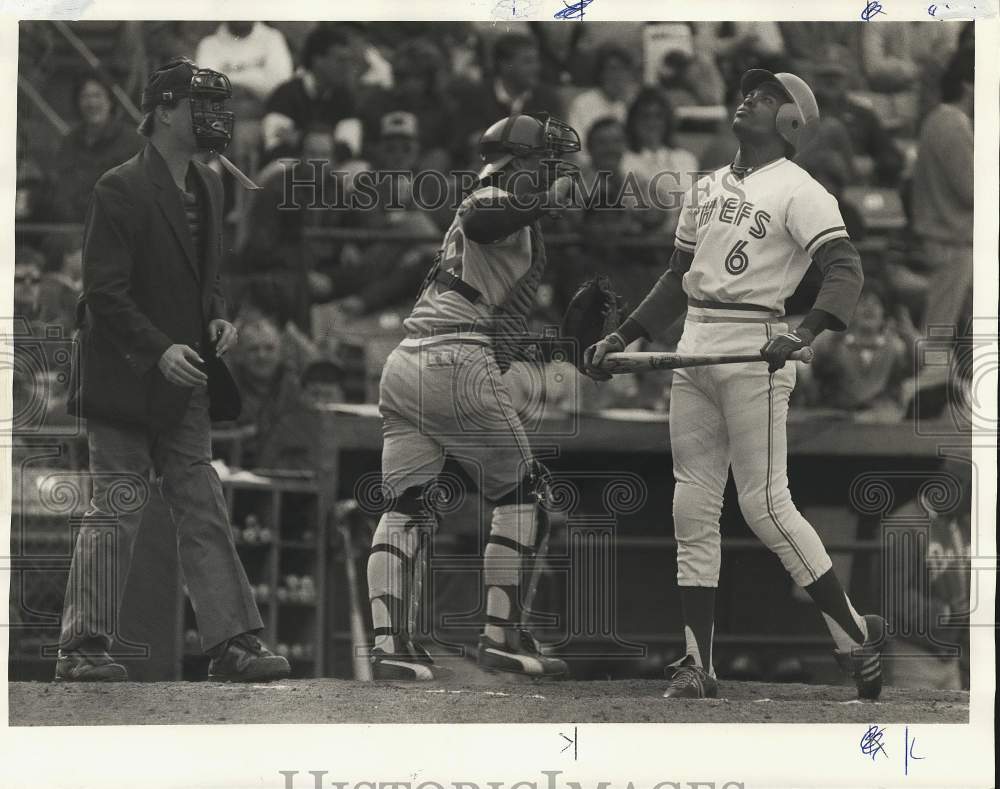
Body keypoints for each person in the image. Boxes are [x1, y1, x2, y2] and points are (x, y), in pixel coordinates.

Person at [586, 69, 886, 701]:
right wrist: (623, 336)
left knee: (765, 505)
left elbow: (846, 270)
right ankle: (698, 663)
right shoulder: (706, 186)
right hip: (694, 345)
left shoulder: (802, 190)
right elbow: (677, 278)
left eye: (765, 96)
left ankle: (852, 635)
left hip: (758, 348)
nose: (747, 99)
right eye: (748, 92)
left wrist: (803, 334)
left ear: (790, 120)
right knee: (690, 504)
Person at [58, 58, 289, 683]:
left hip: (185, 378)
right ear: (163, 110)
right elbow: (104, 293)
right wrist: (160, 347)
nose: (216, 118)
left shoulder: (211, 184)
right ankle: (82, 646)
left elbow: (207, 280)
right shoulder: (118, 187)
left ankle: (233, 642)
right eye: (201, 105)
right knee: (118, 505)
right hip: (125, 377)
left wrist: (220, 318)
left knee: (203, 501)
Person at [365, 112, 580, 680]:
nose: (556, 167)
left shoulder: (504, 198)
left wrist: (567, 349)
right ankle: (500, 635)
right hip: (455, 361)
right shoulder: (498, 193)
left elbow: (502, 324)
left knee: (406, 506)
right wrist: (542, 200)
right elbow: (485, 221)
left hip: (409, 362)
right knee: (525, 496)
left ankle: (389, 647)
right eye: (546, 157)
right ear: (522, 158)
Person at [911, 48, 973, 338]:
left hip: (945, 237)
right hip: (950, 240)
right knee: (940, 327)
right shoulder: (953, 123)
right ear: (967, 84)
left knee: (956, 324)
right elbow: (973, 191)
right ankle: (927, 381)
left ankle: (943, 379)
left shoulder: (937, 119)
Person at [261, 25, 366, 164]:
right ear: (318, 60)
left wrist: (300, 139)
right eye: (340, 60)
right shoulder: (285, 94)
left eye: (348, 60)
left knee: (356, 170)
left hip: (330, 170)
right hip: (292, 171)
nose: (347, 67)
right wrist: (327, 146)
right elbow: (275, 148)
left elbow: (349, 148)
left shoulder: (345, 98)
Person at [50, 73, 143, 222]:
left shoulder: (133, 142)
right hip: (73, 225)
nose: (91, 103)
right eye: (85, 97)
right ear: (78, 103)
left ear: (110, 101)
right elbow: (62, 190)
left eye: (97, 95)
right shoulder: (69, 141)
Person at [194, 21, 293, 104]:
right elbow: (207, 89)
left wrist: (233, 84)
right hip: (225, 112)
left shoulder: (273, 38)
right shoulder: (208, 44)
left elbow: (281, 86)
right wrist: (256, 79)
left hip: (266, 112)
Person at [566, 44, 639, 143]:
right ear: (600, 74)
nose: (617, 76)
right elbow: (577, 144)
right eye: (612, 69)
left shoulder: (632, 104)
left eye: (623, 70)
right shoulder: (582, 103)